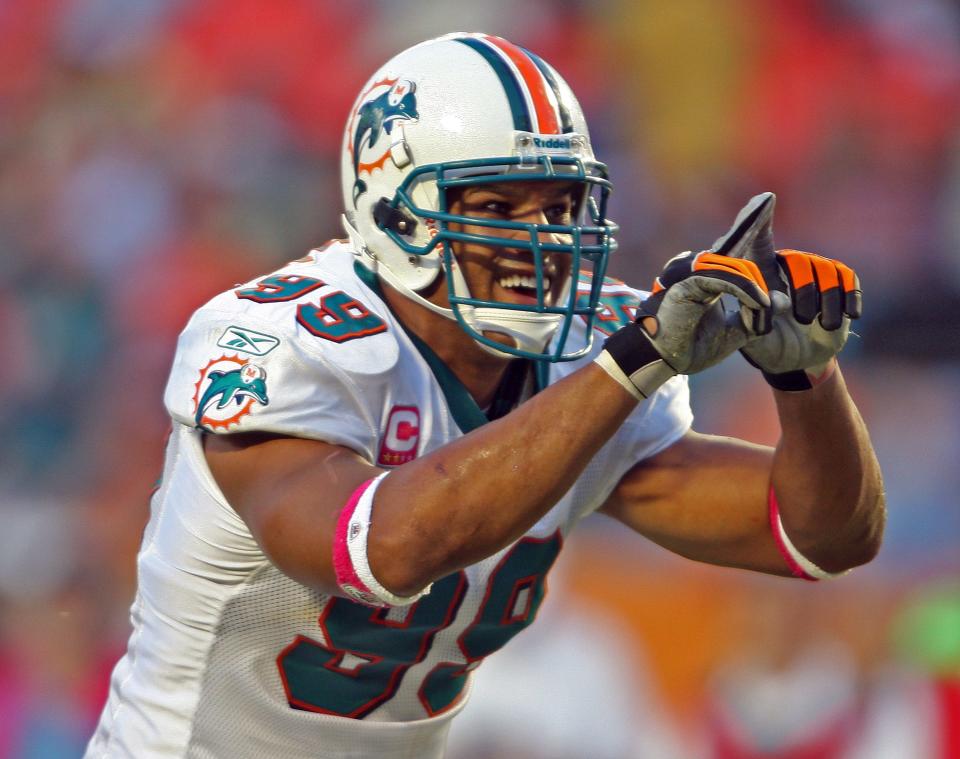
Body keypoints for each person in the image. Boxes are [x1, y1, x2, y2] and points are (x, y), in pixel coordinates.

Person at [84, 32, 886, 759]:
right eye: (499, 207)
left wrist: (806, 379)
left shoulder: (584, 358)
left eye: (562, 206)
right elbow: (377, 553)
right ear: (395, 212)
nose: (543, 239)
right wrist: (629, 364)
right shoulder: (280, 341)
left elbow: (817, 536)